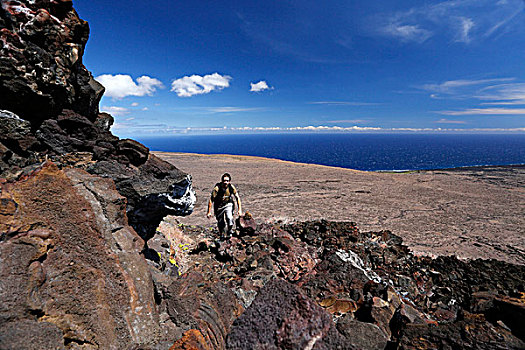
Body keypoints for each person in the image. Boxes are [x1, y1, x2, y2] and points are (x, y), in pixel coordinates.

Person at [206, 173, 242, 238]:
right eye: (224, 180)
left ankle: (229, 231)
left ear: (229, 181)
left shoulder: (231, 187)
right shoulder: (217, 188)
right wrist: (209, 212)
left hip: (228, 204)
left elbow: (237, 197)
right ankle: (222, 235)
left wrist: (239, 210)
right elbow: (211, 200)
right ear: (222, 181)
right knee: (221, 222)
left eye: (227, 181)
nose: (226, 182)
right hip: (219, 206)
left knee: (229, 219)